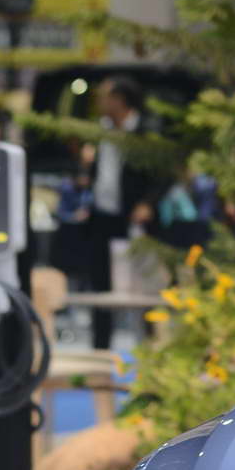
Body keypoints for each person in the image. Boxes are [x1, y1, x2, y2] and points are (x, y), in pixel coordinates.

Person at [83, 76, 157, 349]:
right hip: (102, 215)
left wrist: (148, 202)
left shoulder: (145, 131)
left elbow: (160, 174)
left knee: (142, 286)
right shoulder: (101, 130)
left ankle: (148, 347)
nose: (100, 102)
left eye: (104, 97)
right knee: (100, 285)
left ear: (119, 100)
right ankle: (100, 348)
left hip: (135, 217)